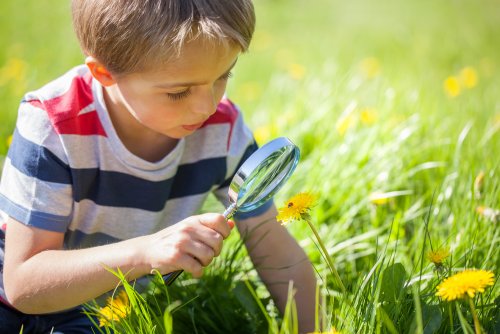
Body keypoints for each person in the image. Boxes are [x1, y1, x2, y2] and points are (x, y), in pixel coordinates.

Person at [0, 0, 317, 332]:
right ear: (105, 73)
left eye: (224, 76)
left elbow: (279, 255)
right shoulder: (56, 125)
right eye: (178, 93)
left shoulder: (222, 131)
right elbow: (23, 285)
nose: (207, 106)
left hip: (101, 311)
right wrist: (144, 252)